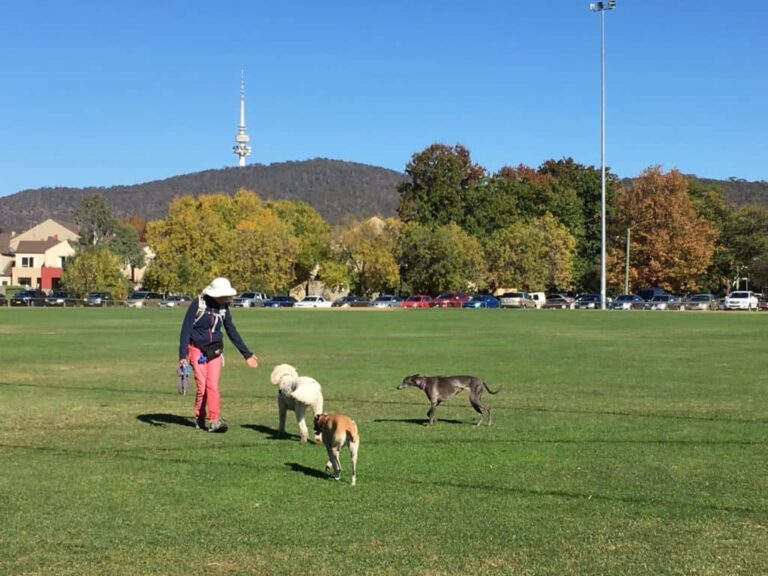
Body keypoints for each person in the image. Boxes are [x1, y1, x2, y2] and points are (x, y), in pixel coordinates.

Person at [179, 277, 258, 432]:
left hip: (214, 351)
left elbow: (231, 330)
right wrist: (183, 355)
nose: (226, 298)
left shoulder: (223, 308)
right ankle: (199, 416)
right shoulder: (198, 303)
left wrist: (247, 354)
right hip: (197, 350)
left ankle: (214, 420)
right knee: (202, 387)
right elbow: (186, 329)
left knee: (213, 386)